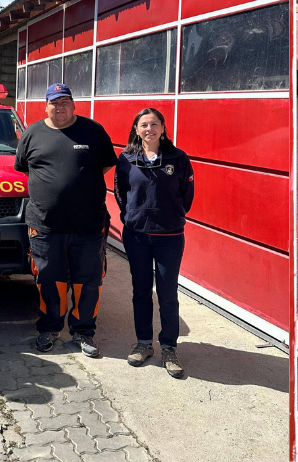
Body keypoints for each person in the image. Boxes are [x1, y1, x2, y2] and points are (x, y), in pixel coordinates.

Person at [15, 83, 118, 356]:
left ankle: (83, 332)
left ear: (74, 105)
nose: (59, 107)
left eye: (65, 102)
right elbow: (24, 166)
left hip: (89, 225)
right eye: (54, 103)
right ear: (45, 106)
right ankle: (49, 329)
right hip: (45, 225)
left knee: (88, 281)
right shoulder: (32, 133)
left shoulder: (93, 131)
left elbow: (107, 163)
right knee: (50, 280)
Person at [114, 108, 195, 379]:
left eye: (154, 124)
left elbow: (187, 194)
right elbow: (120, 192)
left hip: (169, 237)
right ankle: (144, 343)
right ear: (136, 129)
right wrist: (132, 217)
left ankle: (169, 347)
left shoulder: (178, 158)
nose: (149, 129)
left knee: (167, 294)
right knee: (140, 291)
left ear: (163, 128)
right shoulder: (126, 159)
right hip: (137, 236)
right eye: (144, 125)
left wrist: (170, 215)